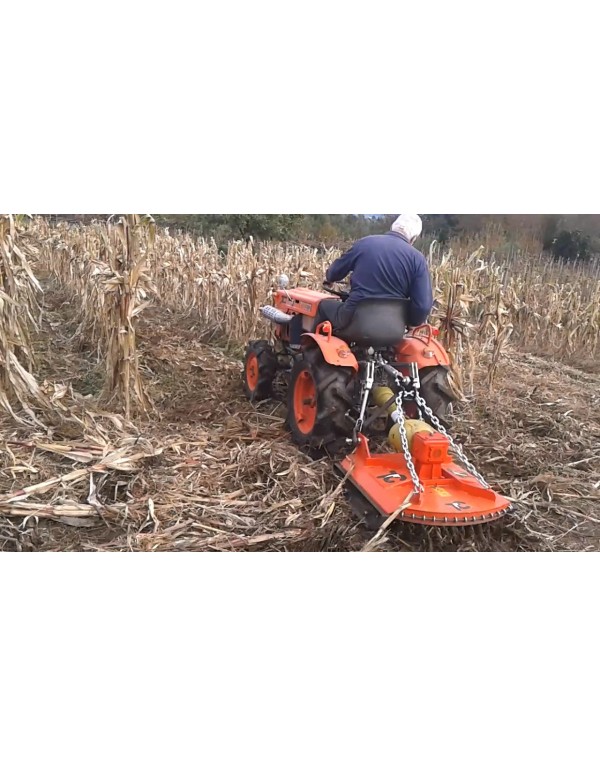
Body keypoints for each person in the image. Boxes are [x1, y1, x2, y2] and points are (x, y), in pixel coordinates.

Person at [313, 213, 434, 335]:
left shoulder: (365, 243)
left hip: (353, 319)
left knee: (322, 306)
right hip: (393, 327)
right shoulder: (418, 259)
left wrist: (330, 278)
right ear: (413, 238)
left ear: (393, 227)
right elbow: (422, 306)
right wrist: (411, 322)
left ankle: (306, 349)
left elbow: (334, 272)